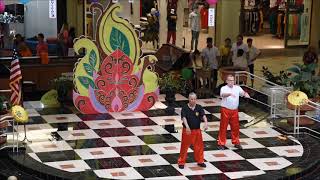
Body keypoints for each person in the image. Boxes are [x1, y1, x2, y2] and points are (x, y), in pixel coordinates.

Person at [218, 75, 250, 150]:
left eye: (232, 80)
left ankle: (236, 142)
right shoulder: (224, 88)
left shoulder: (237, 88)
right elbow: (222, 95)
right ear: (226, 81)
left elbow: (242, 93)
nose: (231, 82)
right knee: (223, 127)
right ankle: (221, 143)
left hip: (234, 110)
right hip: (225, 110)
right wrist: (228, 94)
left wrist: (246, 94)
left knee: (235, 127)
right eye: (229, 80)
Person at [178, 92, 208, 169]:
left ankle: (200, 161)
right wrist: (187, 127)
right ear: (189, 99)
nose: (193, 100)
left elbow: (203, 115)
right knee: (184, 146)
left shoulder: (199, 107)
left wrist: (206, 123)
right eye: (191, 99)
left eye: (194, 99)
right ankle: (181, 162)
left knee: (199, 146)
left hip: (197, 130)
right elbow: (184, 118)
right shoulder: (185, 108)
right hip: (187, 131)